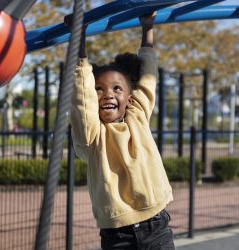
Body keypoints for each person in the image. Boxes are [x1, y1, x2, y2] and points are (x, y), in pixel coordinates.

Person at [68, 12, 174, 249]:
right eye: (99, 89)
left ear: (129, 96)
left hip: (156, 226)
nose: (108, 94)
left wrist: (148, 28)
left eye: (117, 88)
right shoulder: (92, 135)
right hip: (118, 236)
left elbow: (148, 78)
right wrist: (80, 36)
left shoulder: (138, 116)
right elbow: (81, 97)